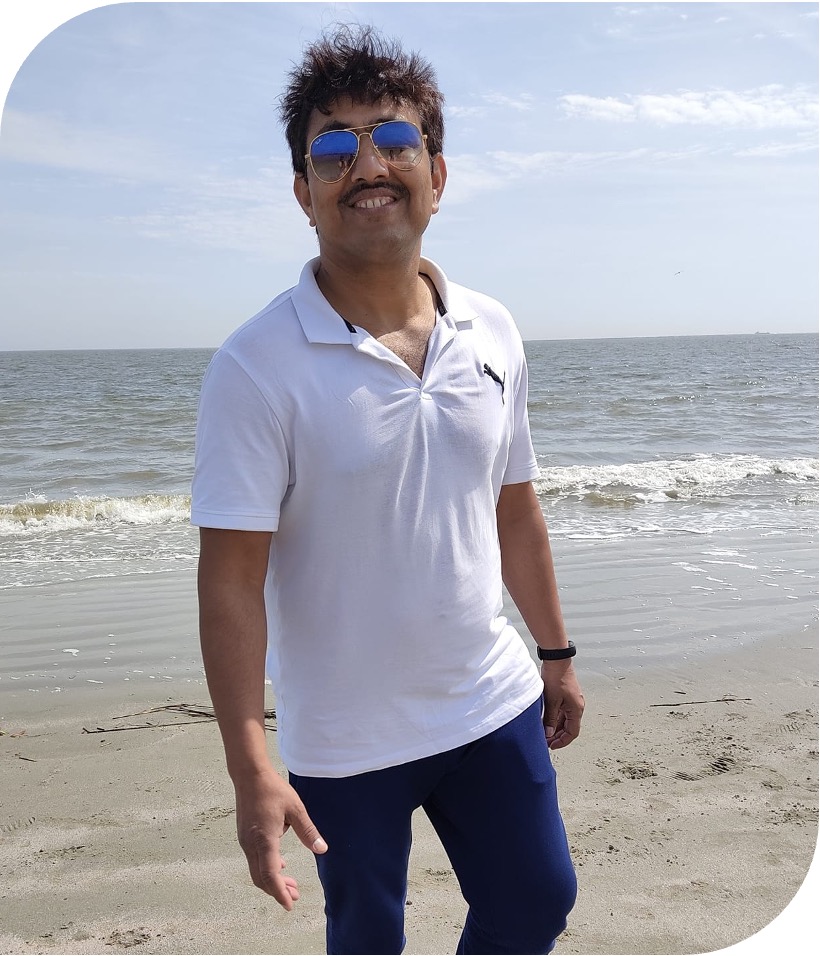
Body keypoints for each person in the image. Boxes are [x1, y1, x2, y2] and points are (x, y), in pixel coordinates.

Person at [191, 25, 584, 956]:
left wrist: (556, 652)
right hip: (344, 738)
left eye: (395, 140)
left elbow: (513, 506)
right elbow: (230, 578)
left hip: (487, 697)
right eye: (334, 149)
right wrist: (250, 763)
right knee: (367, 936)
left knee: (538, 900)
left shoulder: (492, 329)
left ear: (436, 176)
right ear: (305, 192)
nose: (368, 165)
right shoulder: (254, 366)